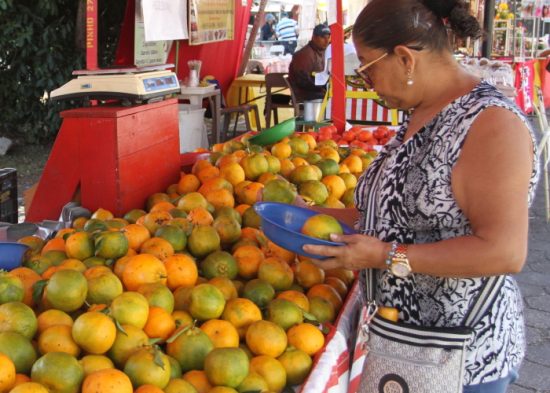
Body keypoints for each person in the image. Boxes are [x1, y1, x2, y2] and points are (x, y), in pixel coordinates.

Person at [301, 0, 539, 392]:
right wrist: (306, 215)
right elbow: (389, 215)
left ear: (404, 58)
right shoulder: (422, 112)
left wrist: (384, 256)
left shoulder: (491, 125)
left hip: (459, 356)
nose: (365, 81)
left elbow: (504, 252)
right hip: (403, 347)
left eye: (365, 66)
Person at [288, 24, 331, 103]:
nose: (326, 41)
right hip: (306, 95)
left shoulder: (321, 52)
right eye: (323, 37)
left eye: (328, 37)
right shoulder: (304, 55)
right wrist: (322, 87)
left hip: (315, 91)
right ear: (314, 37)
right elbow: (303, 81)